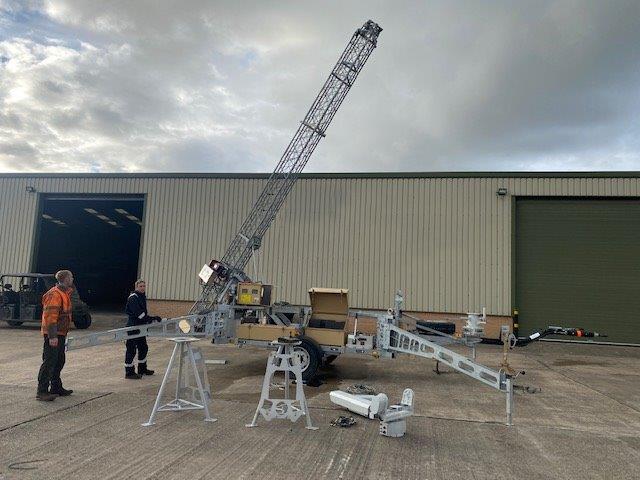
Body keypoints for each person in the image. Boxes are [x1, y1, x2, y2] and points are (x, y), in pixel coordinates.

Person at [36, 270, 74, 401]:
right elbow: (50, 317)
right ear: (66, 279)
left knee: (59, 360)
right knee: (49, 361)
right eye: (71, 277)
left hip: (60, 333)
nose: (72, 279)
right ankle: (42, 391)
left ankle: (56, 387)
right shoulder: (54, 294)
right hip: (53, 333)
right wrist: (52, 336)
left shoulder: (64, 293)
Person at [124, 279, 161, 379]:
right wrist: (152, 319)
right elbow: (139, 314)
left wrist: (150, 319)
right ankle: (129, 372)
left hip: (141, 327)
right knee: (131, 349)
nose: (143, 288)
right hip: (133, 327)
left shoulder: (141, 296)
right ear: (136, 287)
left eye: (144, 286)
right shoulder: (133, 298)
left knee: (143, 347)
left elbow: (143, 314)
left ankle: (142, 368)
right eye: (140, 286)